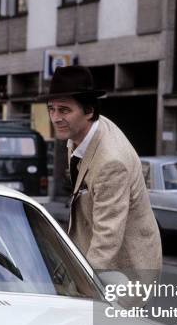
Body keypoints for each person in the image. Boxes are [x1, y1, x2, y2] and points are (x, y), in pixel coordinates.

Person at [38, 65, 162, 276]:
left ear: (89, 111)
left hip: (126, 271)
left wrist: (83, 281)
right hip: (95, 256)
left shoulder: (111, 162)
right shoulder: (80, 134)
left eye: (65, 110)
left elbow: (108, 235)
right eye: (52, 109)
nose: (56, 117)